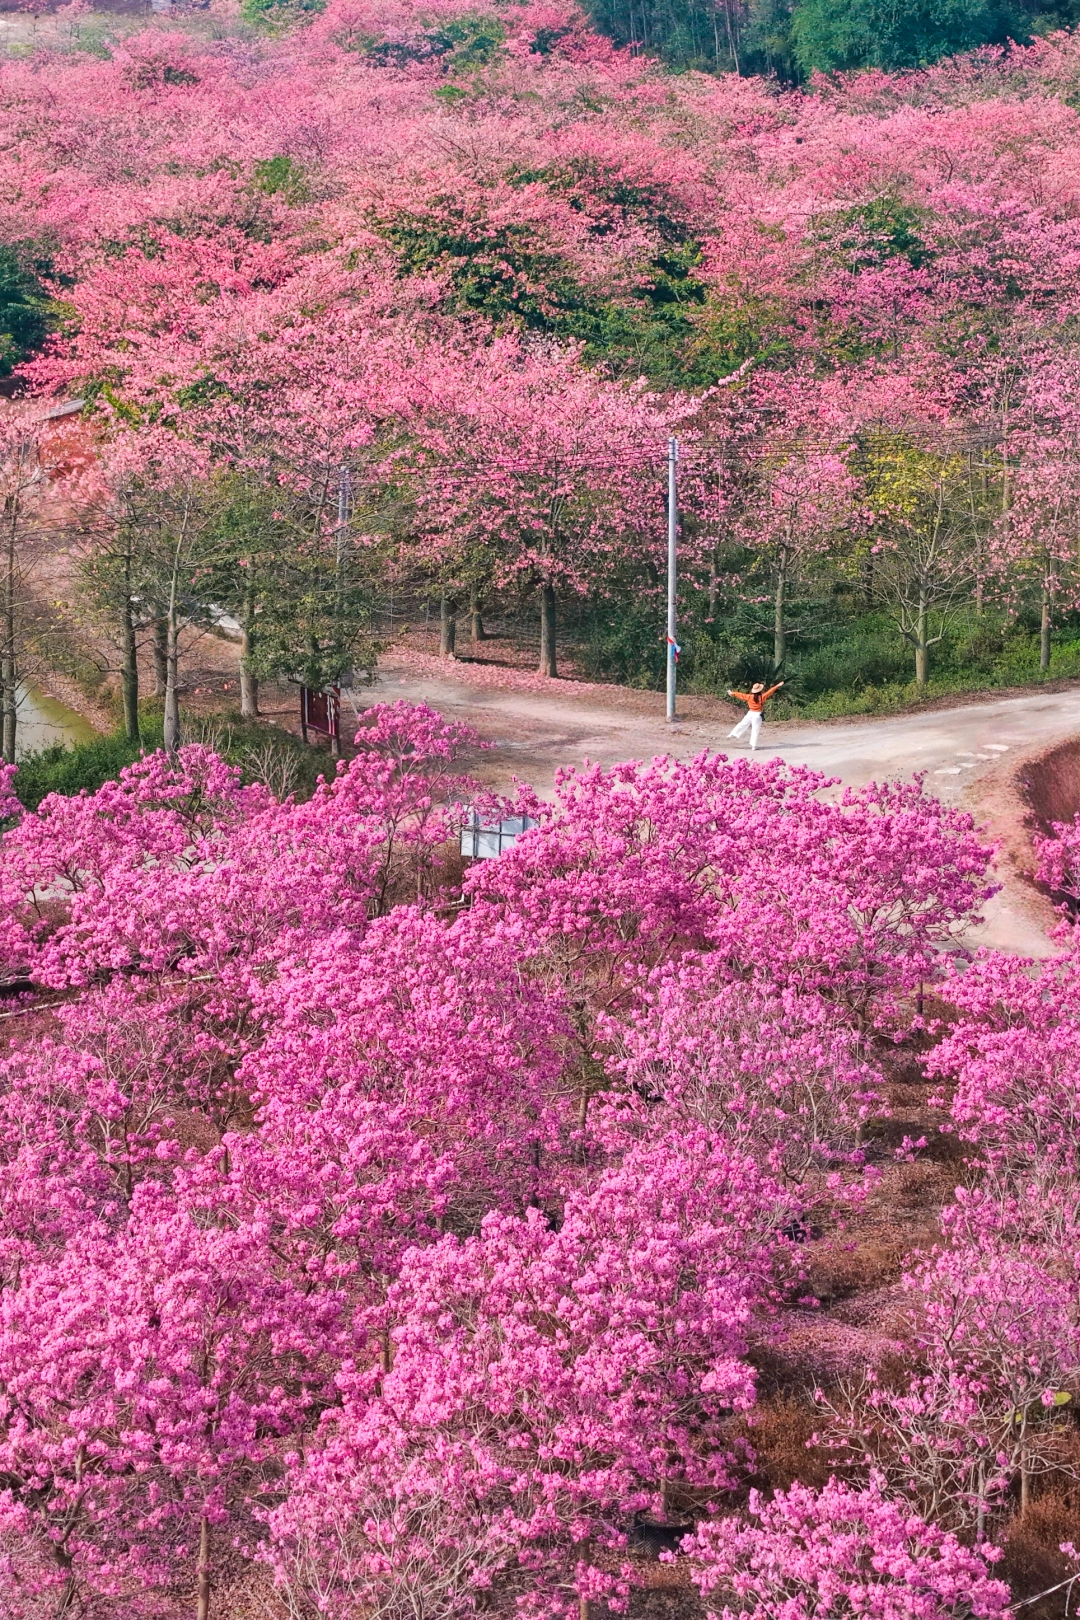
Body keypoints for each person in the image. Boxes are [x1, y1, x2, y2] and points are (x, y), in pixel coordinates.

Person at [727, 679, 784, 752]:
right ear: (760, 690)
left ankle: (732, 734)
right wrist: (778, 685)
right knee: (755, 730)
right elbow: (770, 691)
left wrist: (732, 693)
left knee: (742, 724)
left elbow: (740, 695)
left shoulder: (749, 697)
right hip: (757, 715)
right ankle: (753, 746)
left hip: (750, 713)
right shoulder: (762, 697)